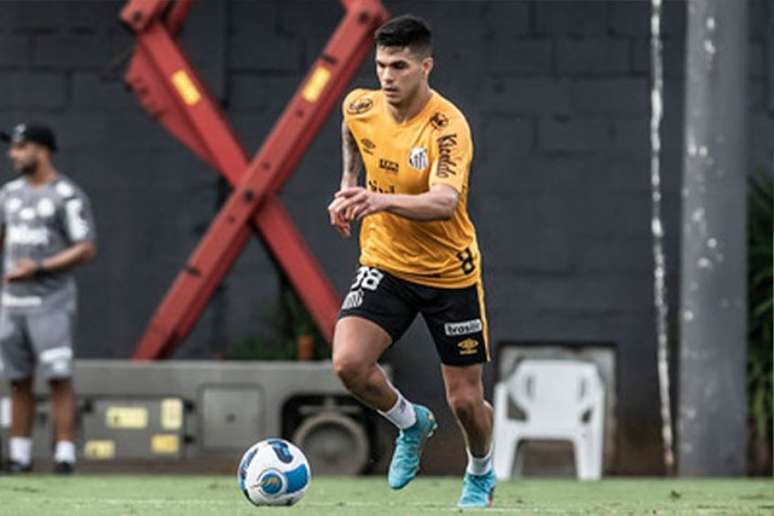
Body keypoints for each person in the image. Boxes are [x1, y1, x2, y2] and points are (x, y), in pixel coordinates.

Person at [328, 15, 495, 508]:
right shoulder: (361, 105)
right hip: (385, 262)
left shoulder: (448, 128)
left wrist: (378, 202)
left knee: (465, 401)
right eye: (381, 65)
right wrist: (347, 186)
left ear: (426, 67)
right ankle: (410, 422)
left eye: (398, 66)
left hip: (449, 273)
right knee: (349, 364)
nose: (387, 77)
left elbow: (443, 201)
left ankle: (481, 471)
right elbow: (350, 130)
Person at [0, 123, 96, 474]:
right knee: (16, 378)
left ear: (42, 150)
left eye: (20, 147)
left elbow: (85, 248)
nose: (13, 154)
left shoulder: (66, 195)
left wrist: (39, 267)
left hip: (51, 301)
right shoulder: (8, 194)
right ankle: (20, 455)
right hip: (11, 304)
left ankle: (65, 453)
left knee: (58, 376)